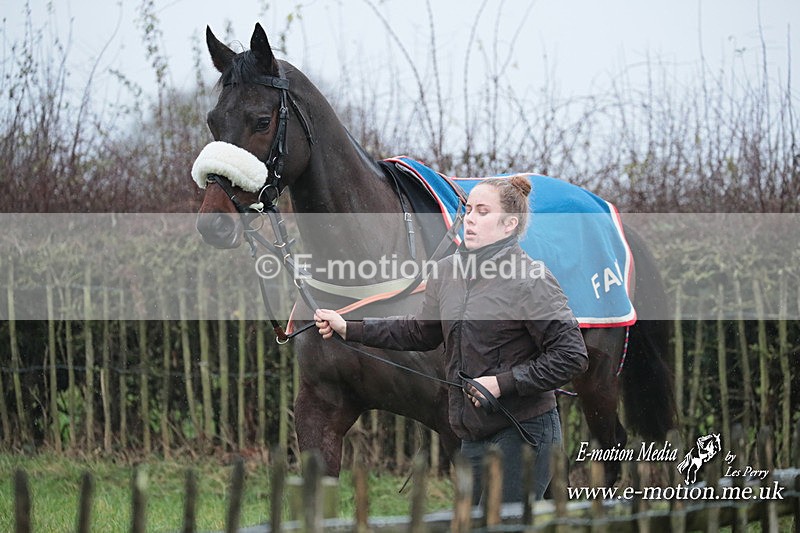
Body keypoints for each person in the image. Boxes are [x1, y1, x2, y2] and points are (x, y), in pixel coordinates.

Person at [314, 175, 588, 503]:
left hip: (525, 433)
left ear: (508, 225)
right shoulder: (447, 272)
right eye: (469, 209)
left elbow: (572, 355)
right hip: (471, 436)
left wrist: (503, 383)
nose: (470, 218)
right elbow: (419, 330)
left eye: (483, 212)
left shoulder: (531, 280)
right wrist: (351, 328)